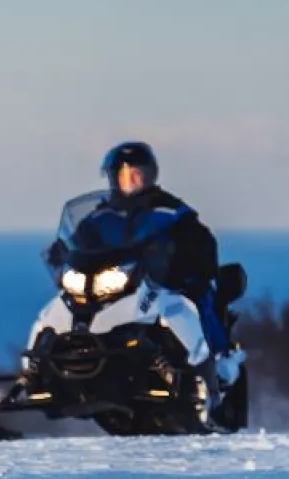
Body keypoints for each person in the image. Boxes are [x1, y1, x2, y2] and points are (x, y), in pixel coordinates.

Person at [50, 142, 236, 360]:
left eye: (136, 174)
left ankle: (214, 357)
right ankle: (42, 365)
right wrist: (61, 253)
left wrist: (179, 254)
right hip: (114, 285)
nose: (130, 181)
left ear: (150, 176)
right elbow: (76, 242)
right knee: (57, 311)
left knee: (193, 301)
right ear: (113, 178)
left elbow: (200, 240)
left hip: (159, 282)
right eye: (124, 175)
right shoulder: (99, 218)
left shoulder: (170, 211)